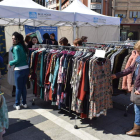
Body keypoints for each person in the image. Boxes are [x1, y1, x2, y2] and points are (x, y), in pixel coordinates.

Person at [112, 41, 140, 136]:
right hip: (137, 87)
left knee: (138, 108)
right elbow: (130, 69)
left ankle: (137, 129)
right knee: (137, 107)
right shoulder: (138, 59)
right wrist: (116, 75)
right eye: (136, 51)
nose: (137, 53)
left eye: (138, 51)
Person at [9, 32, 29, 110]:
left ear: (18, 40)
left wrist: (11, 63)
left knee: (18, 88)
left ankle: (17, 104)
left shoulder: (16, 47)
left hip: (19, 70)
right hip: (26, 69)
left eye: (14, 39)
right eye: (12, 38)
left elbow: (17, 59)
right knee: (23, 87)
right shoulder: (23, 46)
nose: (13, 40)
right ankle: (24, 103)